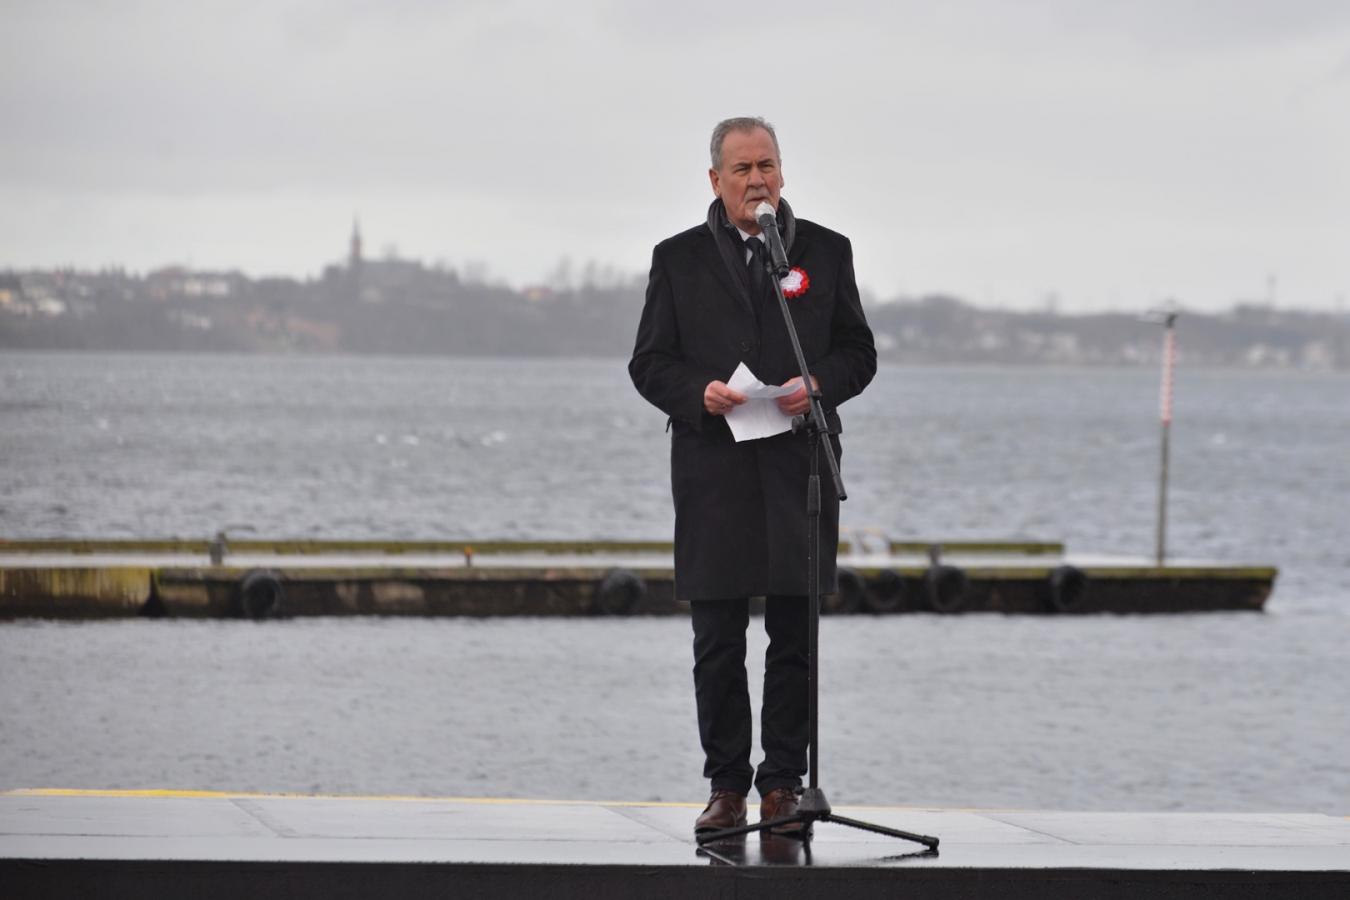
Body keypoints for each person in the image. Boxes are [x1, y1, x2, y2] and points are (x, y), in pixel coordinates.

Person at [629, 116, 876, 835]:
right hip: (715, 470)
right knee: (718, 642)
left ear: (783, 172)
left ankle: (783, 785)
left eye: (766, 165)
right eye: (742, 169)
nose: (757, 179)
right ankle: (727, 787)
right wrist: (697, 393)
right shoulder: (677, 259)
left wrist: (818, 382)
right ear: (716, 180)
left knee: (795, 639)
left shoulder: (825, 251)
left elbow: (858, 352)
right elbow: (649, 363)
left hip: (799, 467)